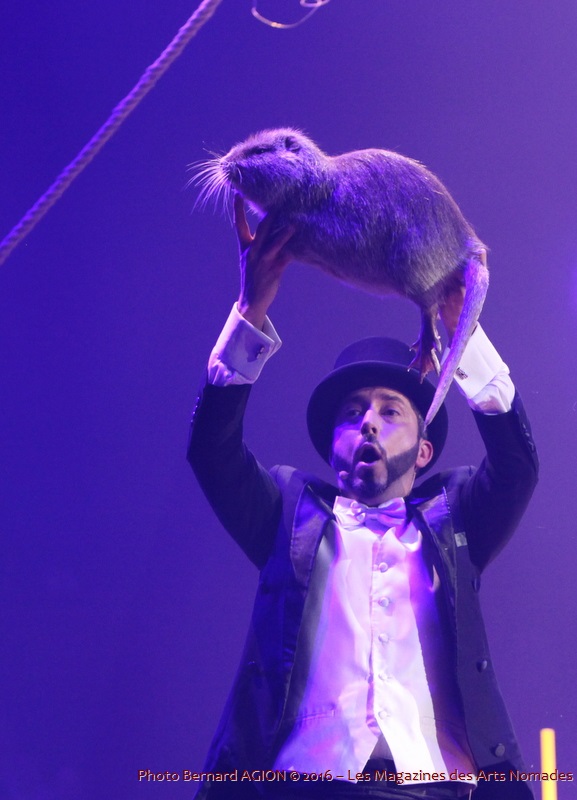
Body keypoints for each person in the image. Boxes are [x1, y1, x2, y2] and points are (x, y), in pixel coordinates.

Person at [188, 196, 538, 800]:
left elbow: (516, 467)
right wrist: (250, 311)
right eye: (352, 413)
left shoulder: (455, 520)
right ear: (332, 446)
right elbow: (213, 454)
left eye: (390, 411)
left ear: (424, 450)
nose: (368, 422)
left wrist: (465, 336)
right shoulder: (288, 516)